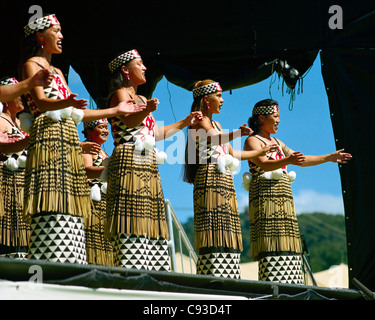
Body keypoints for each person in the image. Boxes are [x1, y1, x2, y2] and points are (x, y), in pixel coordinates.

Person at [20, 14, 146, 264]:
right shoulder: (32, 65)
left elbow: (76, 112)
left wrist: (114, 111)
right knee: (52, 197)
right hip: (48, 138)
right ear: (40, 37)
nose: (61, 35)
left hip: (66, 138)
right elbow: (42, 103)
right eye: (56, 30)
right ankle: (51, 262)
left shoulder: (57, 70)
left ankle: (72, 261)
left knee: (70, 202)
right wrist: (66, 102)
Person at [106, 49, 203, 271]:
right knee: (132, 217)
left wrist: (185, 122)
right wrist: (146, 109)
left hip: (147, 162)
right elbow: (130, 121)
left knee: (150, 217)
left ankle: (153, 269)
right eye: (139, 64)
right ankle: (132, 269)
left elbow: (155, 133)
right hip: (130, 159)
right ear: (125, 70)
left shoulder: (140, 98)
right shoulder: (121, 94)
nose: (145, 67)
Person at [244, 98, 352, 284]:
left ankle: (291, 282)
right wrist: (287, 161)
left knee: (288, 244)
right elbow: (264, 164)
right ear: (262, 118)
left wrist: (328, 157)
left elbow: (300, 160)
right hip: (266, 198)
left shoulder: (277, 142)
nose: (278, 120)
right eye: (275, 116)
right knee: (273, 244)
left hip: (283, 199)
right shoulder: (252, 141)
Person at [183, 80, 278, 279]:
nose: (222, 100)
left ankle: (229, 274)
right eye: (219, 96)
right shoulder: (199, 120)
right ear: (206, 99)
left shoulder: (216, 124)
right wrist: (237, 133)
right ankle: (214, 279)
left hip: (224, 180)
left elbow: (232, 153)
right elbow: (213, 139)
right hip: (209, 178)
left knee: (225, 228)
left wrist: (259, 151)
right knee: (213, 230)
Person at [0, 77, 31, 259]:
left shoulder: (21, 123)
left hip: (22, 184)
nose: (22, 98)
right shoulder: (0, 120)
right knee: (7, 226)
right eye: (18, 93)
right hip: (5, 180)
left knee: (23, 227)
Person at [81, 118, 113, 266]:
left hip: (105, 205)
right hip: (93, 204)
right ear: (88, 131)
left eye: (107, 127)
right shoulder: (87, 149)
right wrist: (110, 169)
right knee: (93, 240)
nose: (106, 130)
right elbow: (87, 171)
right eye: (101, 127)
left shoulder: (103, 152)